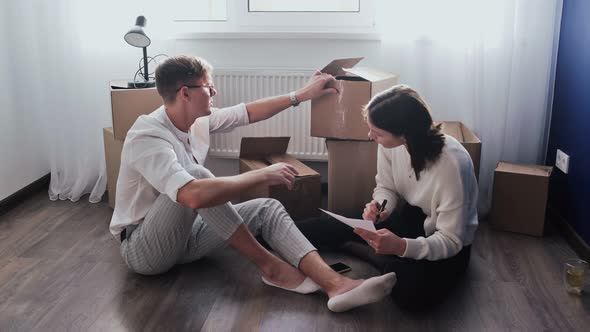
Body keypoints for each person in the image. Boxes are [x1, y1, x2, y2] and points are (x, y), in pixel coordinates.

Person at [108, 55, 396, 313]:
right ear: (185, 93)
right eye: (209, 87)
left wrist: (302, 95)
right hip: (145, 250)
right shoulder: (147, 136)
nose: (214, 92)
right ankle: (272, 268)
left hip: (187, 238)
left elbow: (247, 112)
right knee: (196, 176)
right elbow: (192, 196)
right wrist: (260, 176)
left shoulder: (194, 121)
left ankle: (335, 284)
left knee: (268, 208)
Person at [296, 84, 478, 311]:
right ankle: (266, 233)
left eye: (378, 132)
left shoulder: (453, 165)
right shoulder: (391, 144)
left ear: (404, 133)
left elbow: (451, 241)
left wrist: (401, 246)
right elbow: (386, 188)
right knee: (331, 224)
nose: (371, 136)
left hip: (449, 242)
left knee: (411, 295)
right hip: (414, 217)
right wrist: (380, 208)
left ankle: (377, 258)